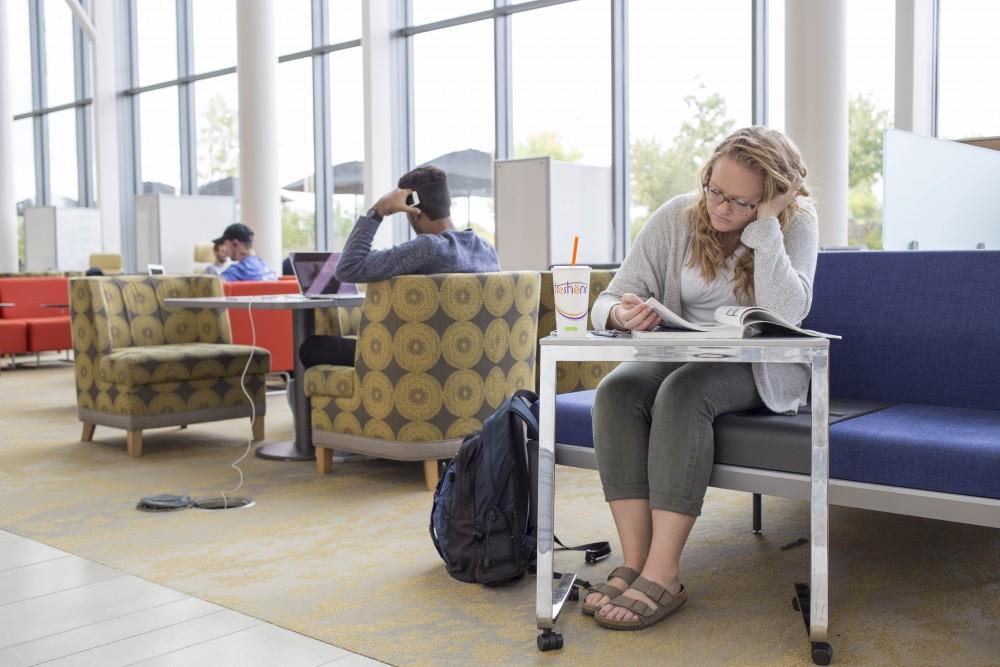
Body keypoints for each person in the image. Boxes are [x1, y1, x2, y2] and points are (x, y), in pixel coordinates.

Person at [583, 126, 817, 631]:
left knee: (684, 393)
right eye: (715, 190)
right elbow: (608, 299)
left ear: (773, 196)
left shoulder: (795, 225)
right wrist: (623, 316)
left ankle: (664, 574)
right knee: (617, 389)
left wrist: (769, 225)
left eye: (741, 202)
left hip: (758, 367)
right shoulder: (676, 217)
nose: (722, 208)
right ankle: (637, 560)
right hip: (683, 354)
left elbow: (789, 311)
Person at [299, 166, 500, 368]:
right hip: (477, 359)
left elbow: (348, 267)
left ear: (413, 211)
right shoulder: (486, 249)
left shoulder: (428, 247)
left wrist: (378, 210)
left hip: (420, 358)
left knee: (313, 346)